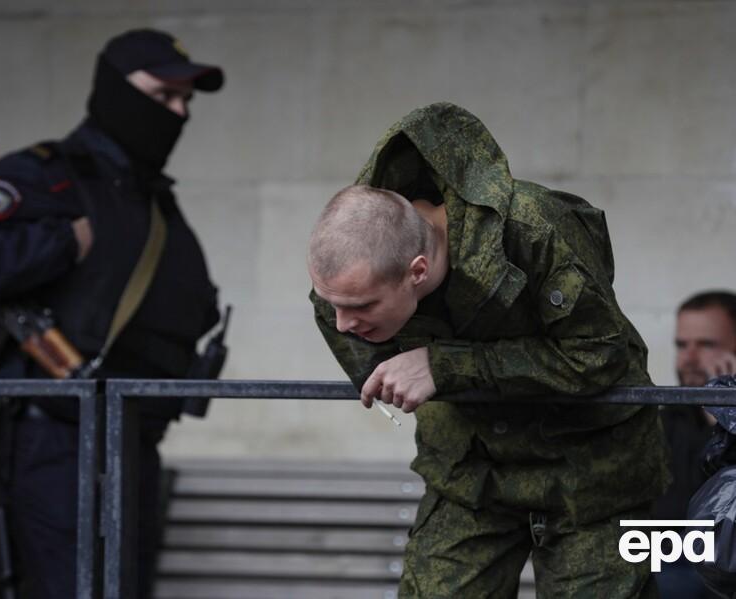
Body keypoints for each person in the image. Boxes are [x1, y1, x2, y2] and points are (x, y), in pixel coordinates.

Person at [308, 103, 670, 597]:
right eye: (332, 305)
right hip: (471, 474)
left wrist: (446, 366)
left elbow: (599, 355)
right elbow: (359, 340)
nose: (343, 324)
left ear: (416, 270)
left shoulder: (534, 229)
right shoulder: (348, 279)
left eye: (361, 307)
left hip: (595, 474)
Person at [0, 29, 223, 599]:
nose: (179, 112)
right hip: (54, 441)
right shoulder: (48, 175)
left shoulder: (151, 199)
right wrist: (60, 245)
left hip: (129, 440)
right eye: (163, 96)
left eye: (186, 101)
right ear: (117, 93)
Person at [653, 291, 736, 598]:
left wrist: (725, 420)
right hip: (677, 565)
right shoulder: (665, 420)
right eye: (682, 345)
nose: (688, 357)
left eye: (706, 345)